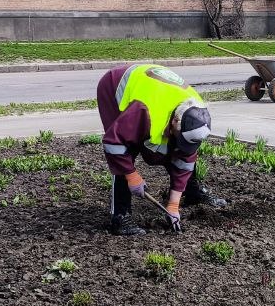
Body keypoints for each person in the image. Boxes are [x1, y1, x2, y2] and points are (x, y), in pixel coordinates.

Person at [97, 63, 227, 236]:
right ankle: (121, 217)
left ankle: (192, 192)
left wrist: (173, 205)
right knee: (125, 150)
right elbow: (114, 143)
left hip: (156, 91)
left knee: (180, 148)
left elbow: (185, 160)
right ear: (174, 121)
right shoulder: (144, 111)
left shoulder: (197, 113)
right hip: (114, 86)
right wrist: (132, 176)